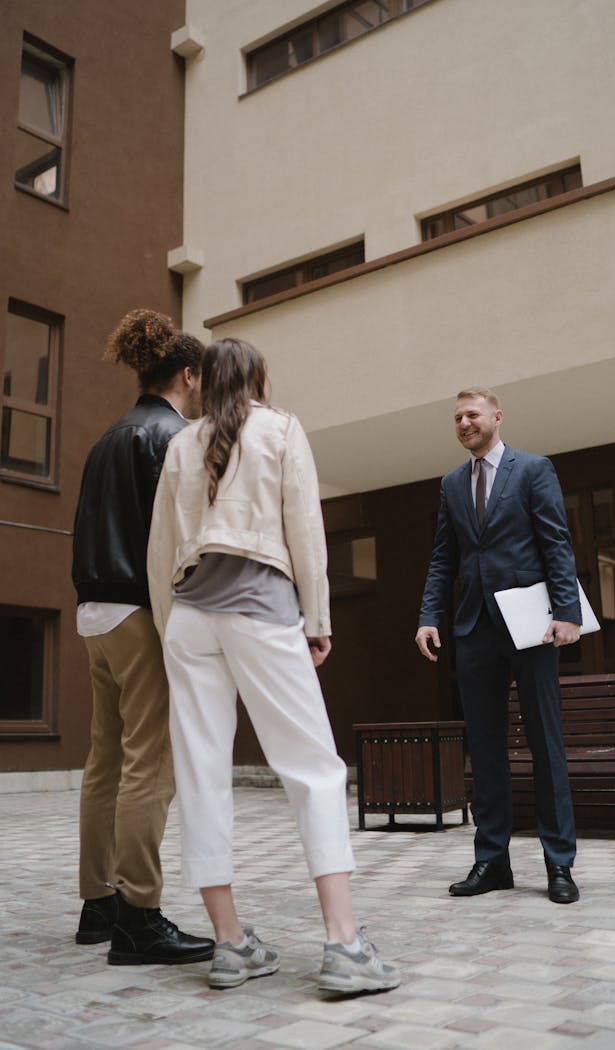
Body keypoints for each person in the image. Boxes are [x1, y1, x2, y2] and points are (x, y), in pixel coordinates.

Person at [147, 337, 400, 994]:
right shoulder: (281, 428)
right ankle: (344, 944)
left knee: (201, 774)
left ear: (204, 382)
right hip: (260, 608)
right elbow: (305, 531)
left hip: (189, 616)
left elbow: (159, 550)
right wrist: (317, 618)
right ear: (258, 379)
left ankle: (230, 944)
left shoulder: (181, 444)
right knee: (313, 769)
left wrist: (169, 630)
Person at [72, 309, 214, 964]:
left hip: (93, 612)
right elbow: (182, 541)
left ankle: (97, 905)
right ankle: (139, 916)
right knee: (149, 765)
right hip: (138, 612)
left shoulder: (107, 438)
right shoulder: (173, 437)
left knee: (104, 761)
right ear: (188, 375)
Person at [415, 387, 581, 904]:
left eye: (472, 414)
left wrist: (568, 612)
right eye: (457, 417)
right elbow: (444, 557)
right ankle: (492, 861)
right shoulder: (451, 484)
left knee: (545, 745)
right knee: (485, 751)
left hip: (531, 627)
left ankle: (559, 864)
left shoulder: (533, 470)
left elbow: (555, 542)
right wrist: (428, 616)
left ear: (497, 417)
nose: (464, 423)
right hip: (475, 631)